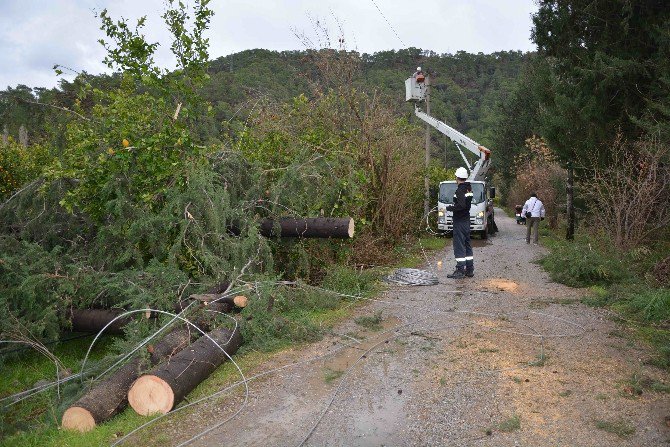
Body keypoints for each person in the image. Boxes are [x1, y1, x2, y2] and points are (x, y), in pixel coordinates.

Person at [446, 167, 474, 279]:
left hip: (460, 221)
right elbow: (466, 205)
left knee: (459, 245)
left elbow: (461, 205)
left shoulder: (460, 190)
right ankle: (469, 269)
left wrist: (450, 208)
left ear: (457, 177)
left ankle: (460, 270)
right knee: (467, 245)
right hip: (466, 221)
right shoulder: (468, 189)